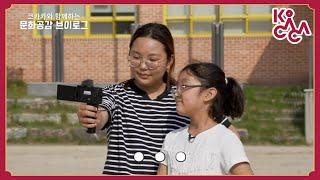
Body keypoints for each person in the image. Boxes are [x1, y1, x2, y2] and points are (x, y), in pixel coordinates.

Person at [77, 23, 237, 175]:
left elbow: (227, 131)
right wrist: (93, 116)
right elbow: (102, 113)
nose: (142, 66)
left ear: (169, 61)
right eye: (136, 57)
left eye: (152, 60)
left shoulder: (184, 98)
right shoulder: (115, 93)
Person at [157, 62, 253, 175]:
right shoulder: (171, 138)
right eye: (176, 87)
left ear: (209, 94)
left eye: (184, 86)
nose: (176, 93)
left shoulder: (225, 139)